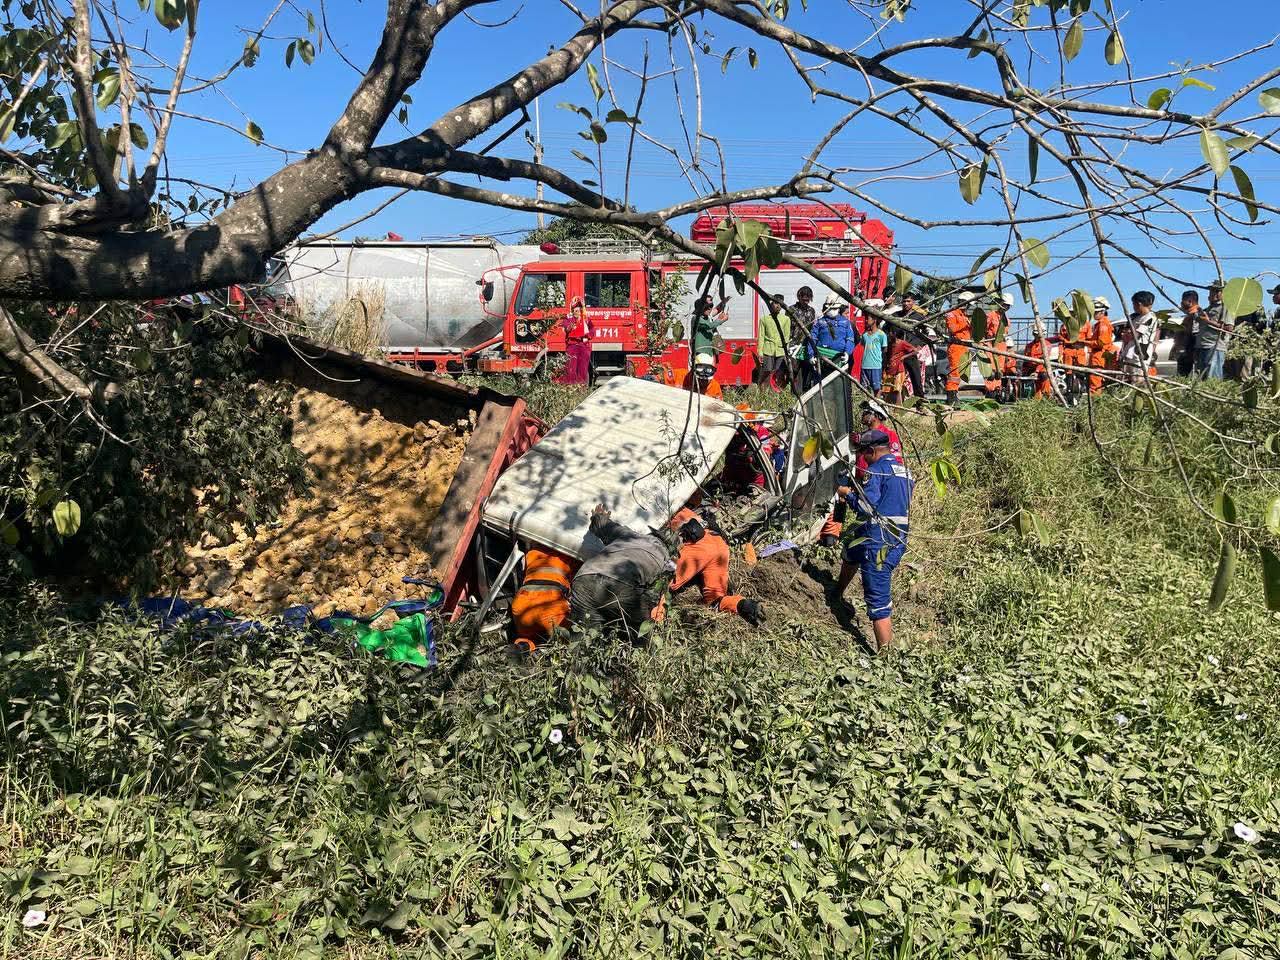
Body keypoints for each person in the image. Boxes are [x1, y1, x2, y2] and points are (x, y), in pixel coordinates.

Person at [831, 429, 914, 653]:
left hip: (878, 542)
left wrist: (847, 494)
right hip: (897, 537)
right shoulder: (905, 471)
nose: (863, 458)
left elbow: (866, 507)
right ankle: (836, 593)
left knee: (878, 600)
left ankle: (885, 657)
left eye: (864, 453)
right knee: (851, 552)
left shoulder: (875, 471)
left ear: (872, 451)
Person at [569, 504, 673, 639]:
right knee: (640, 636)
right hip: (619, 585)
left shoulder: (631, 535)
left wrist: (598, 516)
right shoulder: (666, 561)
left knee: (582, 636)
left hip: (585, 577)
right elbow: (652, 597)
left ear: (652, 534)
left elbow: (601, 525)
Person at [663, 508, 765, 625]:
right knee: (716, 598)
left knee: (660, 582)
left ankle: (655, 623)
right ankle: (746, 607)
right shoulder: (680, 504)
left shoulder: (659, 507)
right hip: (719, 544)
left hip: (697, 545)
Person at [510, 547, 577, 654]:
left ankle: (521, 647)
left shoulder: (532, 553)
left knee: (527, 636)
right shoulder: (570, 556)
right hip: (550, 603)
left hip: (521, 603)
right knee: (568, 641)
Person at [805, 294, 855, 388]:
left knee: (838, 386)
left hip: (839, 358)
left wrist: (847, 353)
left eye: (835, 308)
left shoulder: (846, 322)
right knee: (820, 384)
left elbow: (850, 339)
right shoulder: (819, 322)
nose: (833, 311)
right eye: (831, 308)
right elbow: (812, 339)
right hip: (821, 359)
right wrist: (811, 354)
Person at [1119, 291, 1160, 382]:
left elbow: (1136, 335)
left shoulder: (1150, 318)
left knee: (1138, 381)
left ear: (1139, 304)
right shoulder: (1137, 317)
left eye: (1134, 304)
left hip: (1139, 356)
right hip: (1130, 355)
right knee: (1127, 381)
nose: (1133, 307)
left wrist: (1128, 333)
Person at [1196, 281, 1234, 380]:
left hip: (1215, 346)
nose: (1213, 294)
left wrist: (1208, 321)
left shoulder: (1226, 308)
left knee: (1213, 378)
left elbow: (1229, 328)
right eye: (1212, 291)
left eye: (1217, 291)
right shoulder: (1209, 308)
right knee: (1202, 377)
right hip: (1202, 345)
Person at [944, 292, 976, 405]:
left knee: (960, 373)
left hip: (964, 347)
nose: (969, 307)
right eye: (968, 304)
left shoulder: (964, 316)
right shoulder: (952, 313)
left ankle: (955, 393)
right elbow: (952, 329)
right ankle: (950, 395)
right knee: (955, 373)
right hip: (956, 346)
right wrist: (966, 324)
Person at [1057, 300, 1091, 405]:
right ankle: (1070, 396)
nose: (1073, 314)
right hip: (1068, 350)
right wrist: (1060, 354)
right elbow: (1061, 341)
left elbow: (1089, 340)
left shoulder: (1086, 324)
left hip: (1080, 350)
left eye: (1074, 312)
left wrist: (1089, 353)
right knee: (1069, 374)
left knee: (1081, 373)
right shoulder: (1065, 325)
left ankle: (1080, 394)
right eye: (1071, 312)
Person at [755, 294, 791, 389]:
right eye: (776, 303)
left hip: (781, 351)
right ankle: (763, 393)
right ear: (771, 304)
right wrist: (760, 352)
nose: (778, 305)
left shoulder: (786, 319)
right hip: (768, 350)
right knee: (767, 373)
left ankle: (777, 393)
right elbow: (761, 336)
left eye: (780, 303)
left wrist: (786, 352)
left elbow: (786, 337)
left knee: (779, 373)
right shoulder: (764, 319)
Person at [1086, 296, 1117, 393]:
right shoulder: (1099, 324)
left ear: (1102, 312)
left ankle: (1095, 399)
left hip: (1100, 354)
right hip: (1097, 354)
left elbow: (1101, 343)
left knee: (1095, 382)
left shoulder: (1103, 324)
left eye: (1095, 312)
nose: (1093, 314)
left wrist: (1084, 342)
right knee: (1095, 380)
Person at [559, 298, 592, 385]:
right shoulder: (568, 318)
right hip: (572, 346)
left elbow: (592, 330)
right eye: (575, 307)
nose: (577, 309)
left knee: (583, 369)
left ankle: (581, 390)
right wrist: (571, 325)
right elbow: (566, 328)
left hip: (584, 346)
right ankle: (571, 389)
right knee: (571, 369)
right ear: (572, 309)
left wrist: (588, 337)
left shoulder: (586, 318)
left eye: (579, 307)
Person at [692, 293, 729, 360]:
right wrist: (721, 320)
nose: (710, 308)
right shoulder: (696, 318)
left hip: (710, 351)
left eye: (711, 305)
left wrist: (724, 302)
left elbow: (717, 309)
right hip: (701, 351)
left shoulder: (707, 316)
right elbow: (709, 326)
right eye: (707, 305)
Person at [860, 315, 888, 396]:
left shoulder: (881, 334)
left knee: (877, 388)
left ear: (874, 320)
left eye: (868, 319)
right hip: (864, 365)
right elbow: (863, 346)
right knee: (864, 388)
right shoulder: (865, 335)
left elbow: (885, 349)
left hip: (876, 365)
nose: (866, 321)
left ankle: (877, 402)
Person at [1175, 290, 1202, 377]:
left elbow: (1193, 333)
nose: (1181, 303)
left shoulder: (1196, 315)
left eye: (1183, 301)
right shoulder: (1189, 316)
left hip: (1190, 350)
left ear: (1190, 301)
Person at [789, 285, 817, 354]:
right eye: (804, 300)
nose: (806, 302)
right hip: (792, 344)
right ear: (799, 297)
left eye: (808, 300)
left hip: (807, 345)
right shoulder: (791, 309)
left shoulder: (811, 311)